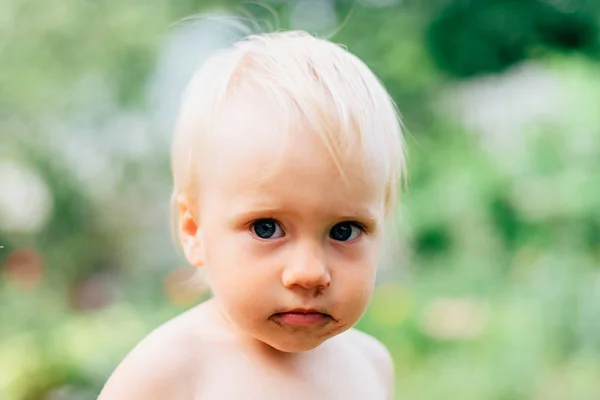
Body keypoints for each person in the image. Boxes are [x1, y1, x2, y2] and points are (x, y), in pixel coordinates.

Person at [99, 29, 405, 400]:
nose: (308, 273)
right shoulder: (167, 373)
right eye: (266, 228)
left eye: (344, 231)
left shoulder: (370, 364)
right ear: (193, 230)